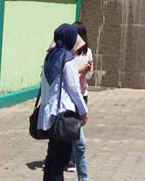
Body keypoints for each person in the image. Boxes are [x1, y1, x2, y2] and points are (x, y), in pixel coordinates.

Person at [36, 24, 89, 181]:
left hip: (49, 115)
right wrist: (83, 111)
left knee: (52, 158)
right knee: (60, 161)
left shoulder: (50, 56)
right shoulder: (67, 59)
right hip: (64, 116)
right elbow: (74, 89)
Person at [66, 21, 94, 179]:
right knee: (72, 129)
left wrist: (86, 71)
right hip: (70, 95)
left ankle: (71, 159)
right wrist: (79, 71)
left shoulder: (87, 52)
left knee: (76, 128)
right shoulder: (68, 53)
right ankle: (70, 160)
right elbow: (67, 76)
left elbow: (89, 75)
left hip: (82, 94)